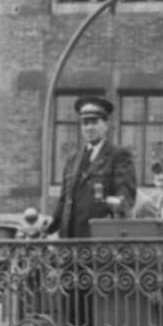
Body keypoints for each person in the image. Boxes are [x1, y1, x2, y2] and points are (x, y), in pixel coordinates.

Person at [47, 96, 136, 238]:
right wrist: (51, 222)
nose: (89, 128)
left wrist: (110, 203)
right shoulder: (72, 159)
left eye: (94, 122)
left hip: (100, 239)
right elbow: (64, 199)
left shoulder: (119, 156)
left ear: (106, 125)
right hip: (69, 239)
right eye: (85, 123)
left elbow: (126, 198)